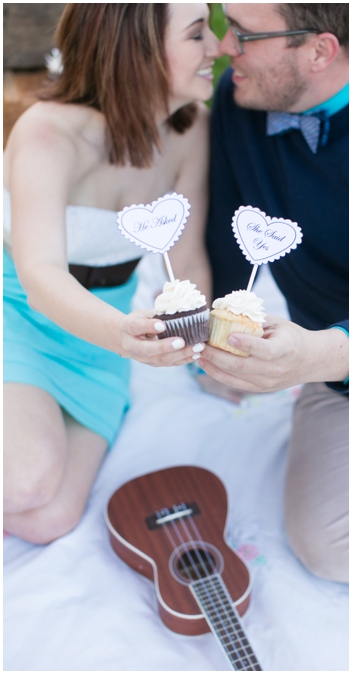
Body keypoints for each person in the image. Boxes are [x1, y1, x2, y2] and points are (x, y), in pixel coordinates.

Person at [198, 4, 349, 585]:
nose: (223, 47)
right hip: (346, 383)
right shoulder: (241, 101)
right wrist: (218, 345)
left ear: (320, 50)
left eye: (244, 34)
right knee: (325, 544)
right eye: (223, 22)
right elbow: (229, 242)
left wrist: (313, 355)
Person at [3, 3, 218, 544]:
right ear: (139, 50)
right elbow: (39, 273)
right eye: (197, 35)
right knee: (24, 483)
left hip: (100, 342)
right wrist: (123, 335)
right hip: (20, 313)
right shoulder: (48, 134)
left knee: (51, 520)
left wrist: (207, 353)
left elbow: (185, 262)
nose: (216, 50)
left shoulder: (191, 130)